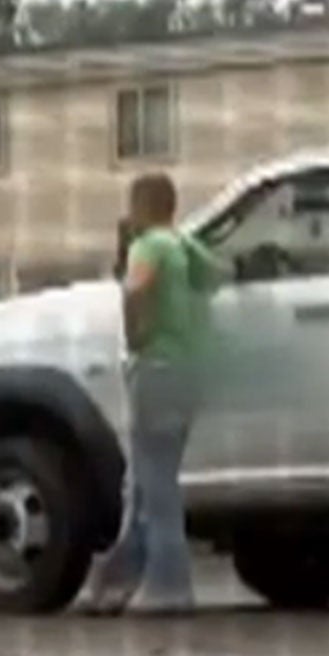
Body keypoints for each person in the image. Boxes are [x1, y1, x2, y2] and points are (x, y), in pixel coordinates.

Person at [83, 172, 223, 616]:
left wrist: (137, 332)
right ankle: (116, 582)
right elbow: (219, 274)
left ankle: (170, 587)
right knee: (143, 484)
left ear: (143, 205)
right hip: (192, 370)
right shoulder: (182, 245)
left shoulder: (148, 247)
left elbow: (135, 288)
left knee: (156, 485)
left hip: (156, 370)